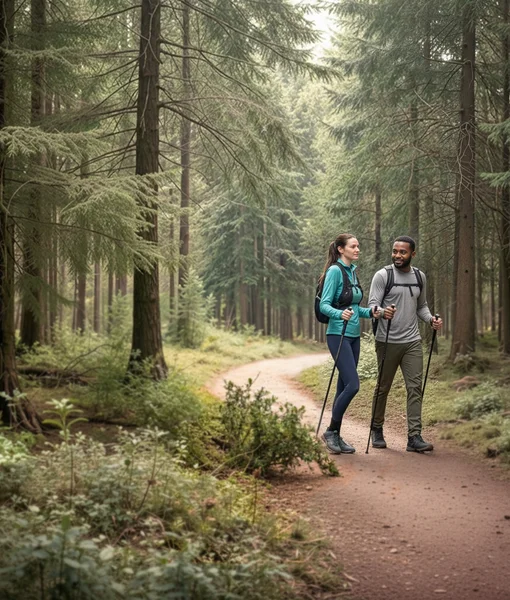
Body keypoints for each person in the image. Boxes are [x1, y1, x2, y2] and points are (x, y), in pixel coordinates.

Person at [368, 236, 443, 452]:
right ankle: (377, 428)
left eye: (402, 252)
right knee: (383, 387)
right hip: (387, 340)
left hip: (412, 342)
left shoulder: (420, 277)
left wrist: (431, 320)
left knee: (415, 388)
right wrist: (384, 312)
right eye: (395, 251)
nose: (397, 255)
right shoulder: (383, 275)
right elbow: (373, 306)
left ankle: (414, 436)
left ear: (412, 254)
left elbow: (422, 306)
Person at [319, 233, 380, 454]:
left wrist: (375, 312)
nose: (357, 249)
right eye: (353, 246)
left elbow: (356, 308)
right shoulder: (335, 271)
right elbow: (325, 305)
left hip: (353, 336)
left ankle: (336, 435)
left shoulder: (352, 272)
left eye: (358, 246)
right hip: (338, 335)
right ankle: (330, 431)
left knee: (343, 386)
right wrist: (338, 314)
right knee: (353, 385)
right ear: (341, 249)